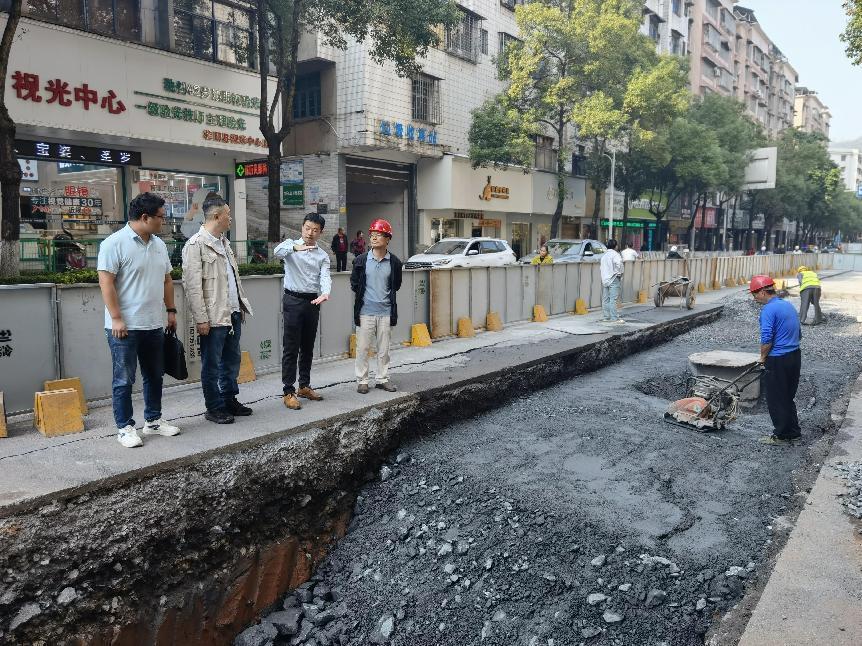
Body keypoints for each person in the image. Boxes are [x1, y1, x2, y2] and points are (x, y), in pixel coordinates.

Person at [97, 193, 181, 448]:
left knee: (155, 375)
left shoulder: (158, 245)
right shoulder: (114, 243)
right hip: (125, 327)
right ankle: (124, 427)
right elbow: (106, 282)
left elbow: (167, 279)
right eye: (160, 217)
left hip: (154, 324)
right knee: (124, 379)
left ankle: (153, 421)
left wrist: (171, 310)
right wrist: (116, 318)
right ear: (145, 217)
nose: (163, 222)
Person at [182, 193, 254, 425]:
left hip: (231, 312)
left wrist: (239, 305)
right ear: (216, 215)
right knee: (212, 364)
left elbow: (233, 279)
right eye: (228, 215)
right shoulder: (195, 245)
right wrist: (201, 319)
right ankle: (213, 407)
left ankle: (229, 399)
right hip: (212, 318)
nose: (230, 219)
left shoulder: (224, 242)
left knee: (232, 361)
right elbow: (192, 287)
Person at [274, 214, 331, 410]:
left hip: (313, 301)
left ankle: (304, 386)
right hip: (292, 300)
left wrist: (326, 293)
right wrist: (295, 247)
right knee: (291, 347)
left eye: (315, 230)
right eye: (307, 228)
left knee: (307, 346)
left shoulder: (322, 255)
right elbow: (276, 251)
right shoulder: (290, 246)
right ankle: (288, 390)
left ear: (320, 232)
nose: (310, 233)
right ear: (302, 227)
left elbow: (325, 277)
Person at [351, 219, 403, 394]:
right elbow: (354, 284)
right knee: (363, 348)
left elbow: (396, 285)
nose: (374, 238)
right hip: (365, 311)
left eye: (378, 235)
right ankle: (362, 380)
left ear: (387, 239)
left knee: (384, 349)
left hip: (386, 312)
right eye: (372, 235)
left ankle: (382, 379)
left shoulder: (394, 262)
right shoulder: (361, 260)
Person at [750, 275, 802, 446]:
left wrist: (762, 358)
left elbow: (767, 338)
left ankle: (781, 436)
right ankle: (793, 432)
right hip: (794, 356)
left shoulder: (768, 310)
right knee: (787, 396)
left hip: (778, 359)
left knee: (775, 399)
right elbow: (799, 333)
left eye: (754, 294)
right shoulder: (787, 305)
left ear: (763, 292)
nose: (754, 298)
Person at [600, 239, 624, 325]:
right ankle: (614, 318)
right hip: (613, 278)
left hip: (605, 279)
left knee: (605, 299)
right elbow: (619, 264)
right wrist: (619, 273)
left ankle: (606, 317)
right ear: (615, 246)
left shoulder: (604, 255)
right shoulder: (615, 254)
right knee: (613, 299)